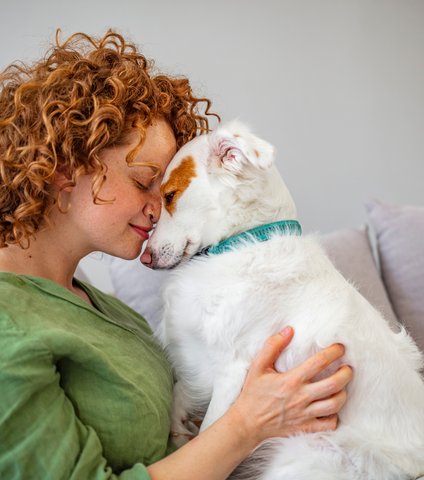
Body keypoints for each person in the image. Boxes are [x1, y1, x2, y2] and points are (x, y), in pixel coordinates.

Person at [0, 31, 353, 480]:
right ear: (66, 169)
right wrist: (248, 423)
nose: (160, 209)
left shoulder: (87, 300)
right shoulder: (9, 328)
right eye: (145, 181)